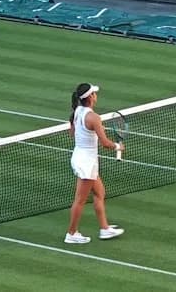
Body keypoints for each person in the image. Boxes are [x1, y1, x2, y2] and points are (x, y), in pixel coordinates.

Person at [64, 83, 125, 244]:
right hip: (86, 163)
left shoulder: (77, 112)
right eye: (94, 93)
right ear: (90, 97)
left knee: (99, 193)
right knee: (80, 200)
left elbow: (73, 133)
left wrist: (93, 130)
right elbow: (105, 144)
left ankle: (104, 229)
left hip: (81, 158)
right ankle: (71, 233)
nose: (96, 96)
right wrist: (118, 146)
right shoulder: (93, 117)